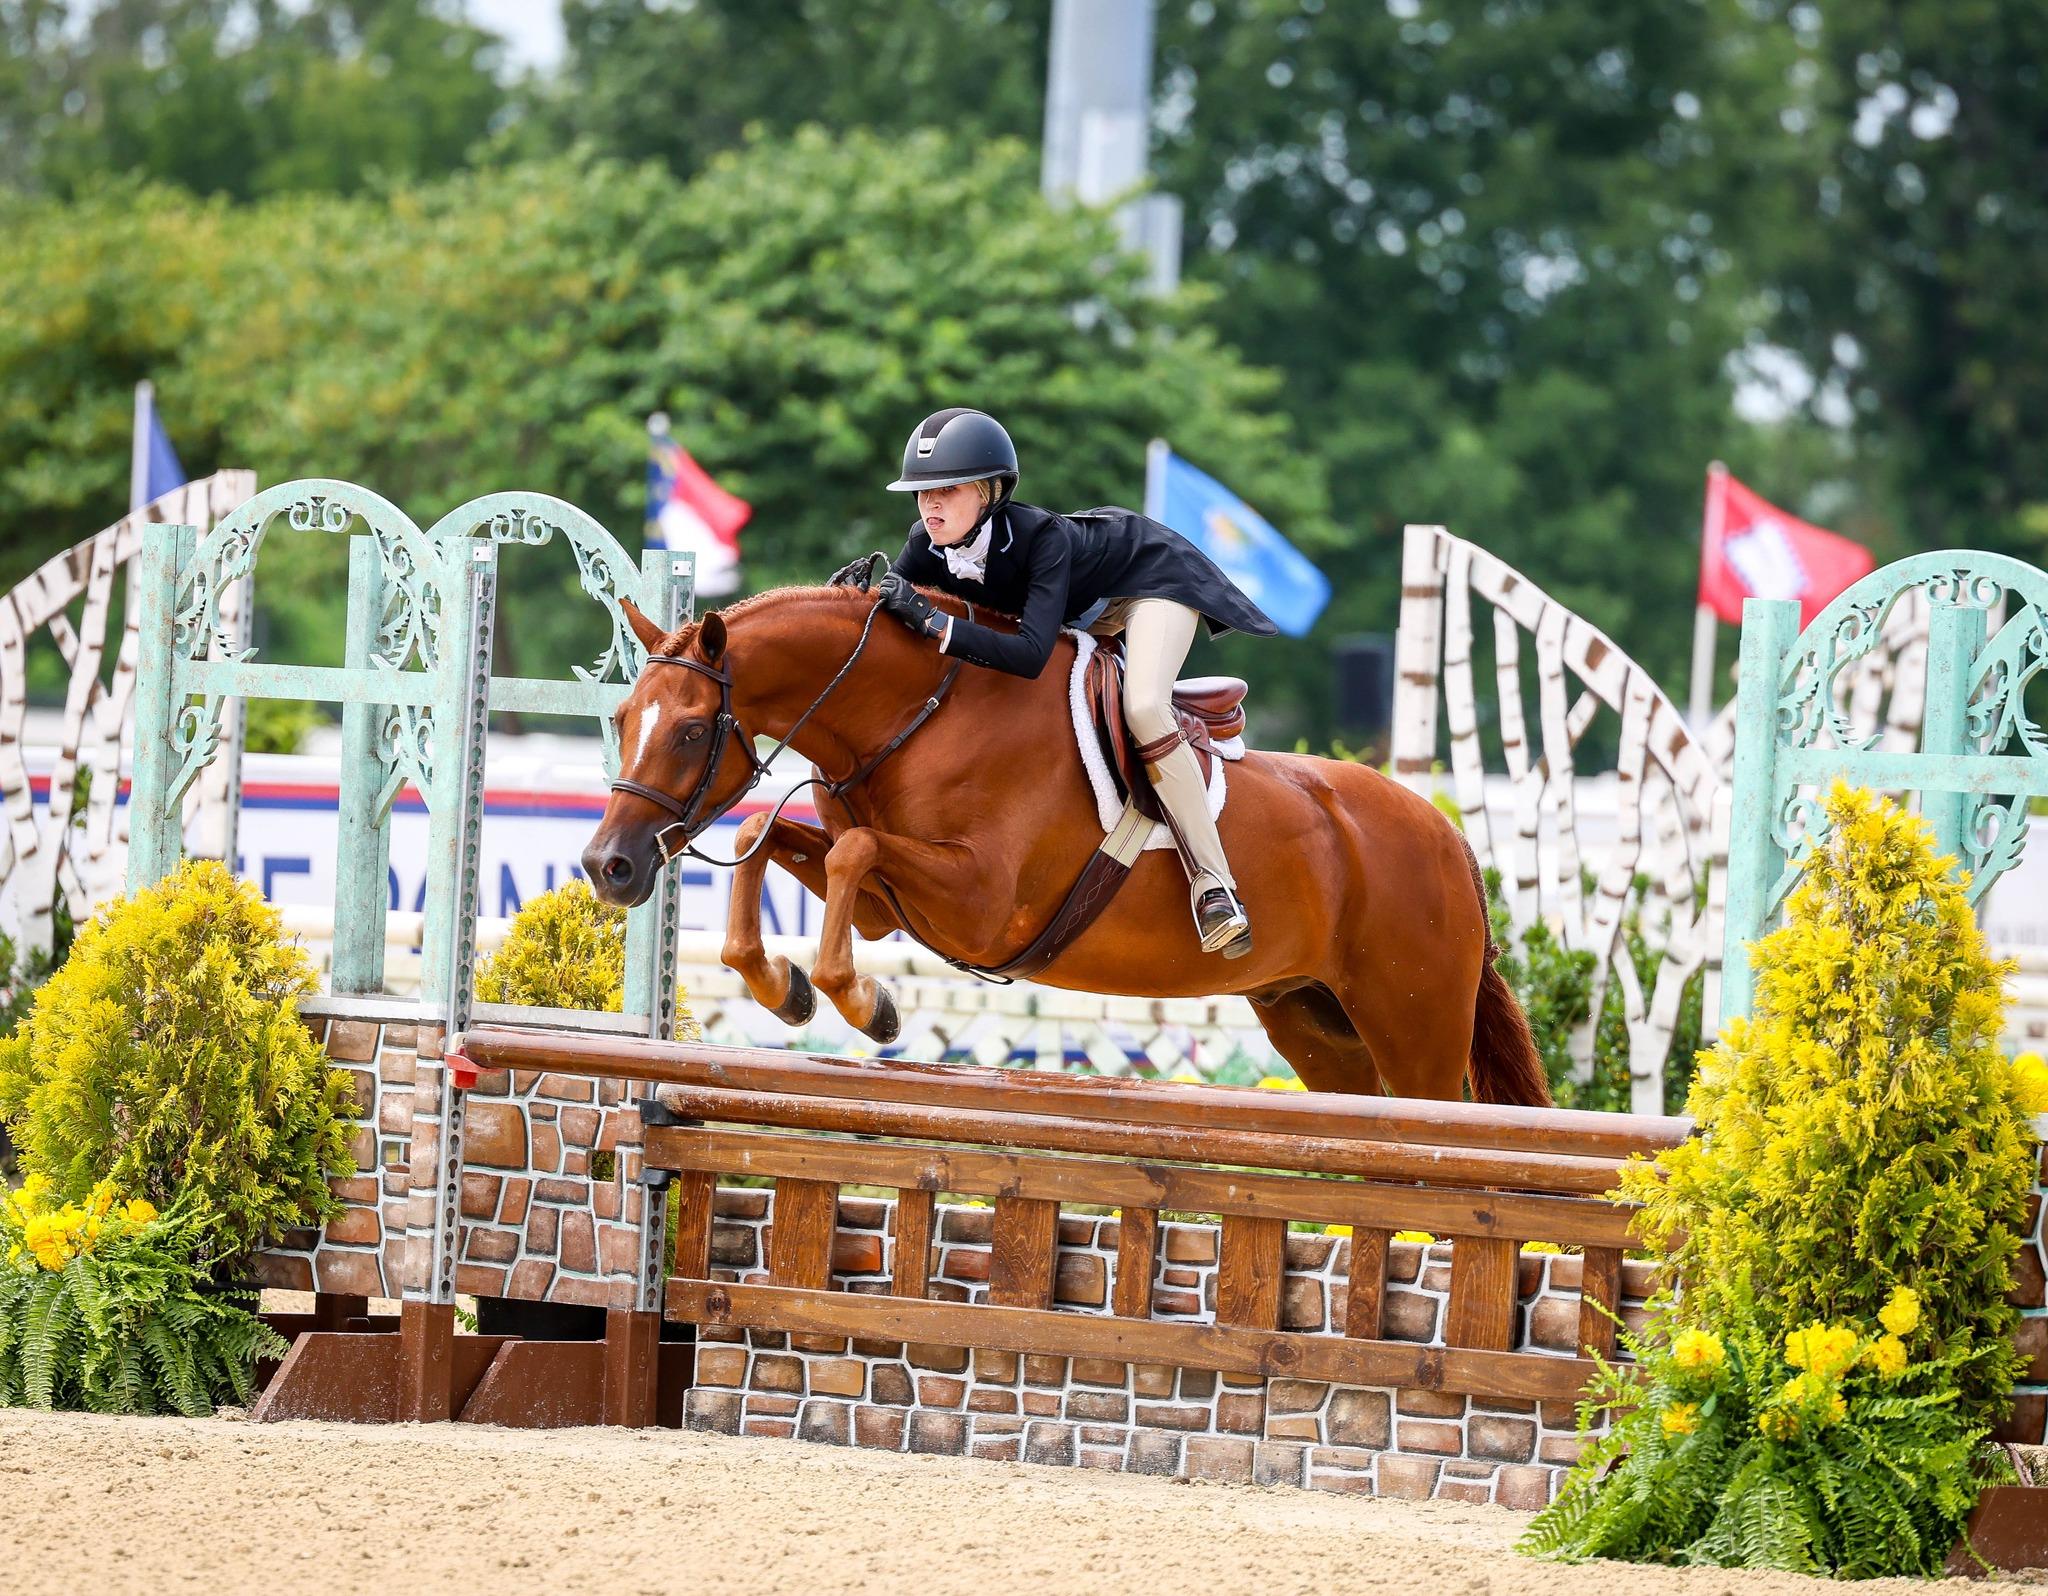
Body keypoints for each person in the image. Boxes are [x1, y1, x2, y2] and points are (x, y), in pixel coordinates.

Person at [848, 406, 1276, 958]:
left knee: (1144, 707)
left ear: (990, 491)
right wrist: (853, 602)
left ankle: (1215, 886)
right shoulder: (925, 542)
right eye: (922, 492)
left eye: (947, 490)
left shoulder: (1041, 537)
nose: (930, 504)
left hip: (1151, 583)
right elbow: (893, 608)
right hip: (1084, 608)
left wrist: (935, 623)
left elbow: (1030, 654)